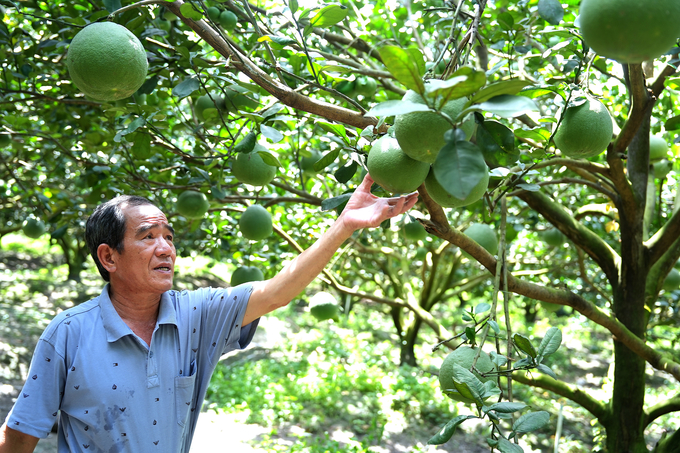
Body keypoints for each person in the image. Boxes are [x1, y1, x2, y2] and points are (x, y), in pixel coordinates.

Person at [0, 174, 418, 453]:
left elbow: (276, 292)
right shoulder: (68, 334)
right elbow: (20, 434)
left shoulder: (195, 314)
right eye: (148, 237)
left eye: (168, 236)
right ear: (108, 256)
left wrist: (344, 225)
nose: (166, 248)